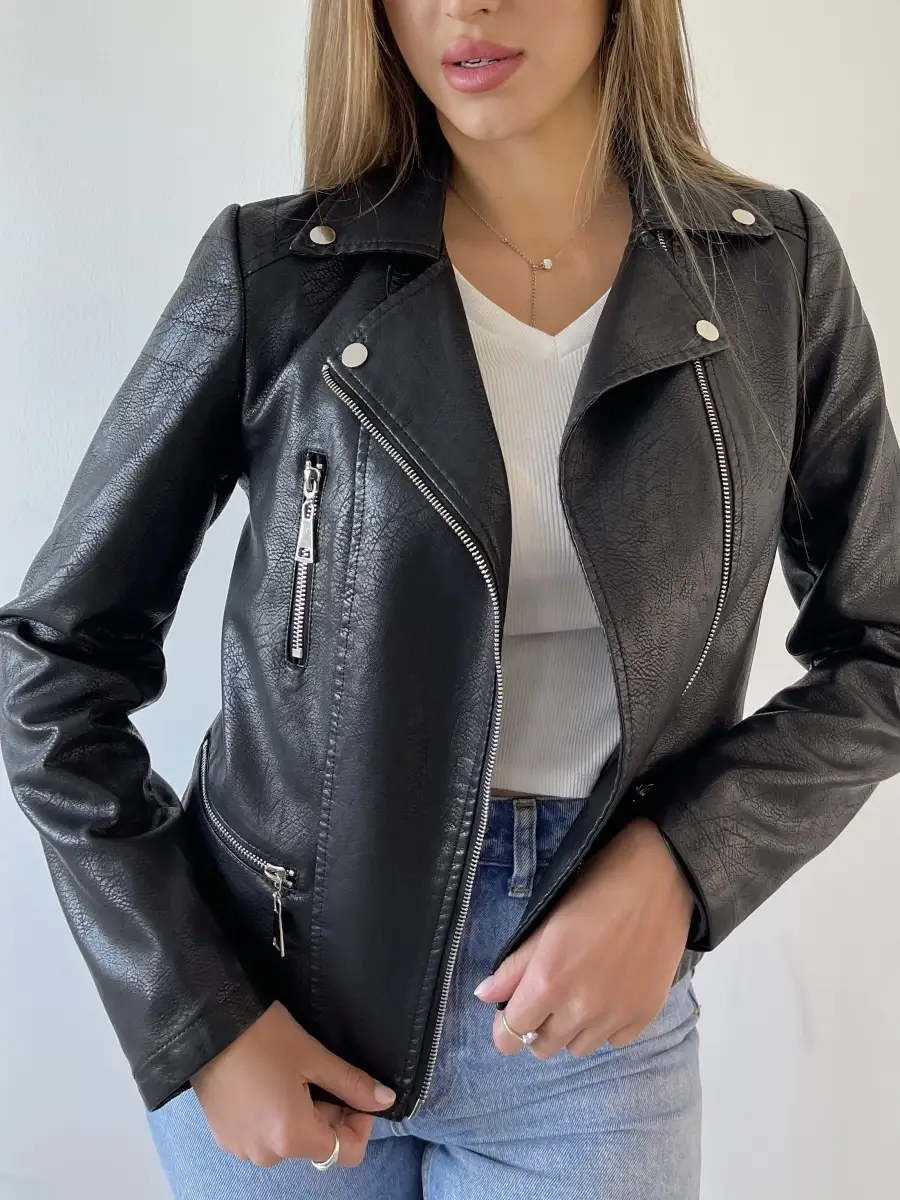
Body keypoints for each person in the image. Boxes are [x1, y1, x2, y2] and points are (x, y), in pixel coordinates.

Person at [1, 0, 898, 1196]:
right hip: (275, 995)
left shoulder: (772, 272)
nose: (464, 7)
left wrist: (688, 860)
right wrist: (197, 1016)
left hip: (588, 1029)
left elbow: (883, 642)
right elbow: (53, 661)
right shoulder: (279, 276)